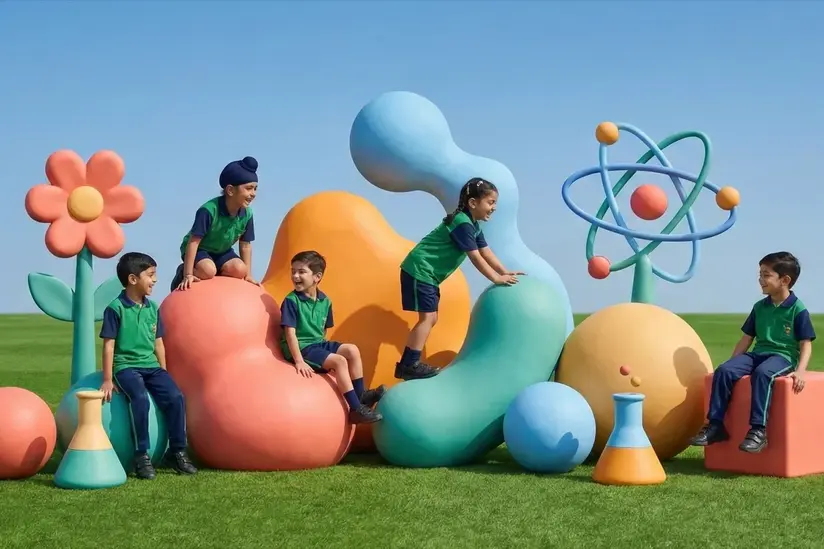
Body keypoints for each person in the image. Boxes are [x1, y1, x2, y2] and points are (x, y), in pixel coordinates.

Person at [395, 177, 524, 381]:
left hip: (427, 274)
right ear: (473, 203)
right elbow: (475, 257)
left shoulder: (473, 225)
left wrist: (505, 271)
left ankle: (407, 364)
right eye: (490, 202)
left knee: (431, 318)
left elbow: (486, 252)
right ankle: (409, 365)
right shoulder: (462, 223)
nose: (494, 208)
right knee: (427, 319)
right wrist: (496, 278)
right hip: (420, 269)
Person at [690, 251, 816, 453]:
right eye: (760, 274)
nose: (761, 280)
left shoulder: (798, 309)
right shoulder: (759, 307)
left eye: (766, 275)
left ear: (784, 280)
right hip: (758, 354)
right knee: (724, 371)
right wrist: (732, 364)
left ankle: (758, 431)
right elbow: (746, 339)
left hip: (783, 357)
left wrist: (800, 371)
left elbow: (805, 343)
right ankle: (715, 426)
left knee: (763, 373)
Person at [99, 252, 197, 480]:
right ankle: (141, 455)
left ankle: (177, 452)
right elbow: (109, 346)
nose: (155, 280)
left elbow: (158, 343)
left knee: (176, 397)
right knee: (140, 398)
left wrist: (163, 371)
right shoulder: (115, 308)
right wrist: (107, 379)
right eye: (151, 275)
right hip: (126, 367)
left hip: (151, 366)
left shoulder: (153, 308)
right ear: (133, 279)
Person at [279, 250, 386, 424]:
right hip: (301, 347)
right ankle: (355, 409)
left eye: (301, 272)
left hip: (318, 343)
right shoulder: (291, 301)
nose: (295, 276)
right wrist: (299, 361)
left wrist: (324, 355)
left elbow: (323, 331)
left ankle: (361, 395)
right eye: (293, 271)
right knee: (339, 361)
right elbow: (290, 333)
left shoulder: (325, 301)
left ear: (317, 277)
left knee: (352, 350)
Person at [171, 156, 260, 291]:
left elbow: (245, 245)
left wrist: (248, 275)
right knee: (208, 270)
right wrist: (187, 274)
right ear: (230, 190)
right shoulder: (209, 210)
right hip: (200, 249)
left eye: (255, 189)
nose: (253, 194)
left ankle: (215, 281)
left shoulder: (247, 214)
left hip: (222, 251)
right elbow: (193, 242)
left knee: (240, 270)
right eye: (249, 188)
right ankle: (184, 271)